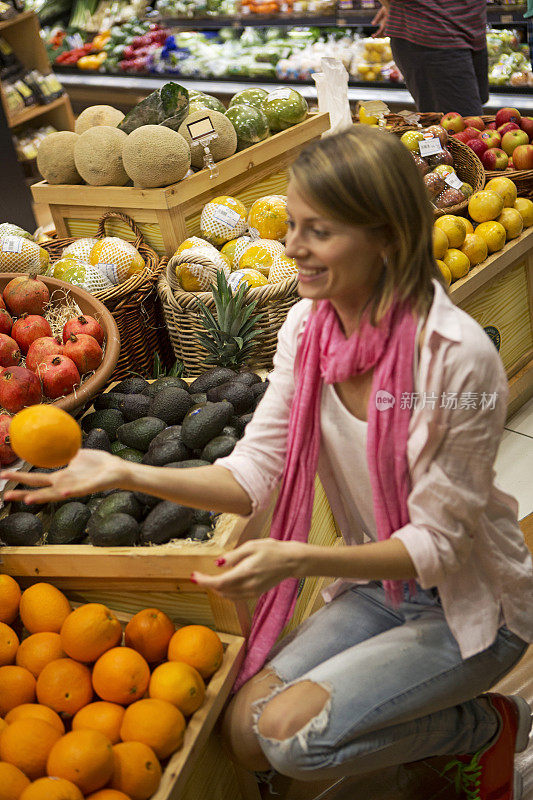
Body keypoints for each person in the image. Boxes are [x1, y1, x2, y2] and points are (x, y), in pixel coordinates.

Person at [3, 126, 533, 799]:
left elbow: (436, 544)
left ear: (387, 240)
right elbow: (253, 471)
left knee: (290, 738)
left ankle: (482, 728)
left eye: (320, 231)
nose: (292, 248)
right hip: (380, 588)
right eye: (293, 223)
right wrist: (123, 472)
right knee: (246, 732)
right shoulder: (308, 329)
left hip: (473, 602)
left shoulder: (453, 358)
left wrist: (302, 558)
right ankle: (423, 734)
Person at [372, 0, 489, 116]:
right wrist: (389, 5)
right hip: (433, 32)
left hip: (472, 27)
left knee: (473, 118)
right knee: (464, 124)